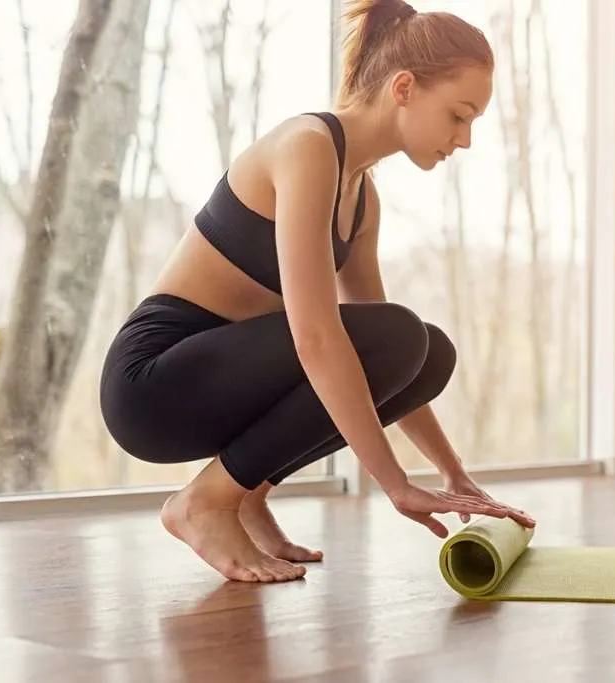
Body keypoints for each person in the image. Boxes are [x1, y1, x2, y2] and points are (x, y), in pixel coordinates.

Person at [98, 0, 535, 584]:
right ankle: (206, 502)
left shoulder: (362, 198)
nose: (465, 139)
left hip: (222, 388)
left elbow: (392, 362)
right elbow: (317, 337)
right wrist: (396, 484)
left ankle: (244, 494)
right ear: (404, 87)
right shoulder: (307, 147)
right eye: (459, 115)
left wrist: (454, 476)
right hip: (153, 386)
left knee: (429, 353)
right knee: (400, 335)